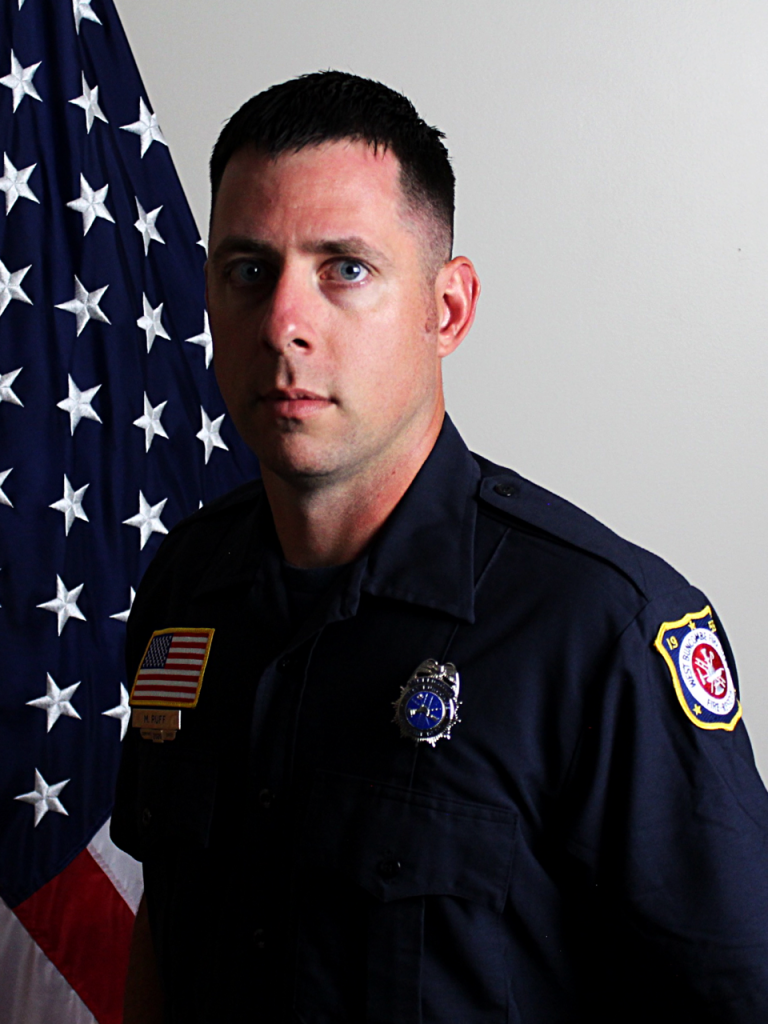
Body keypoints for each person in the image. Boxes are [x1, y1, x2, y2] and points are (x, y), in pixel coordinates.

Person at [112, 71, 768, 1024]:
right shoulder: (188, 584)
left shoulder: (598, 633)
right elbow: (165, 938)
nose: (284, 323)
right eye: (248, 271)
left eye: (345, 268)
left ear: (446, 310)